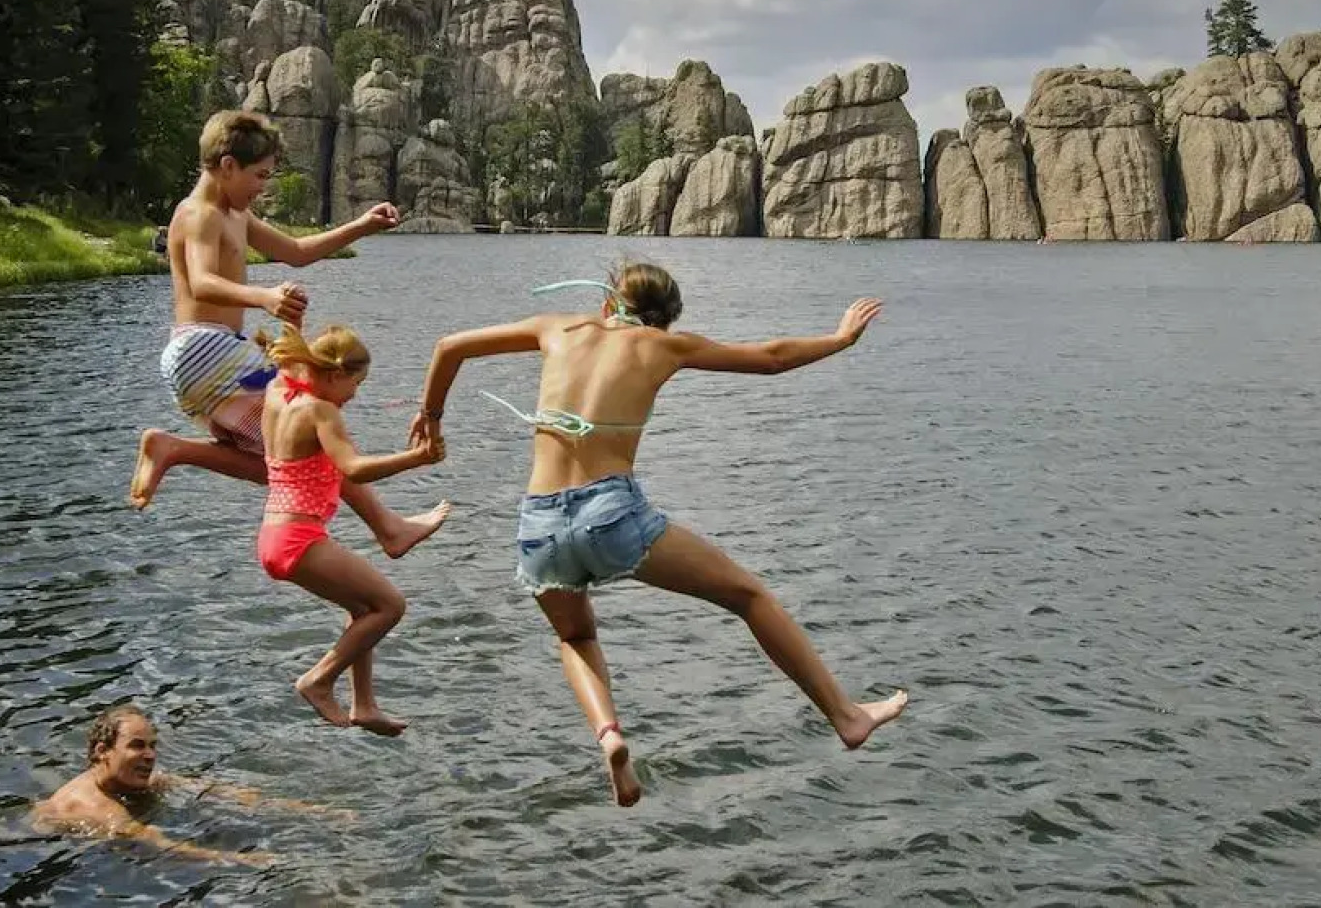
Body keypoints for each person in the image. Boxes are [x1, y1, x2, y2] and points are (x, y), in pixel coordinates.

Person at [410, 263, 908, 807]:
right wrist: (839, 339)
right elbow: (772, 359)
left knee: (575, 638)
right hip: (610, 514)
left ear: (607, 302)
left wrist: (431, 416)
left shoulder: (555, 327)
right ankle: (846, 715)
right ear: (664, 320)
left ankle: (610, 736)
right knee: (748, 596)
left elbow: (449, 345)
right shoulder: (662, 347)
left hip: (540, 524)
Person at [129, 110, 448, 562]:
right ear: (227, 166)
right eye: (258, 176)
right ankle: (388, 528)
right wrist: (262, 297)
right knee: (311, 434)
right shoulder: (200, 215)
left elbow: (296, 253)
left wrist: (361, 225)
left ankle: (173, 448)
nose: (263, 186)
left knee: (279, 461)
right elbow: (200, 281)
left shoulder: (234, 213)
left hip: (201, 360)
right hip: (207, 349)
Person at [261, 323, 444, 735]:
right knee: (390, 606)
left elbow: (291, 359)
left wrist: (293, 319)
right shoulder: (319, 410)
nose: (355, 394)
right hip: (298, 538)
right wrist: (417, 458)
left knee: (363, 609)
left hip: (274, 536)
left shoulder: (281, 391)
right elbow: (353, 468)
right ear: (334, 374)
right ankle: (319, 680)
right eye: (356, 383)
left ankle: (364, 705)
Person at [31, 704, 330, 866]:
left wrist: (311, 811)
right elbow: (167, 846)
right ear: (101, 752)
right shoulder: (97, 807)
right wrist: (245, 860)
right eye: (137, 746)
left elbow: (212, 790)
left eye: (152, 746)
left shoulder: (128, 780)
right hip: (31, 850)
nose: (149, 755)